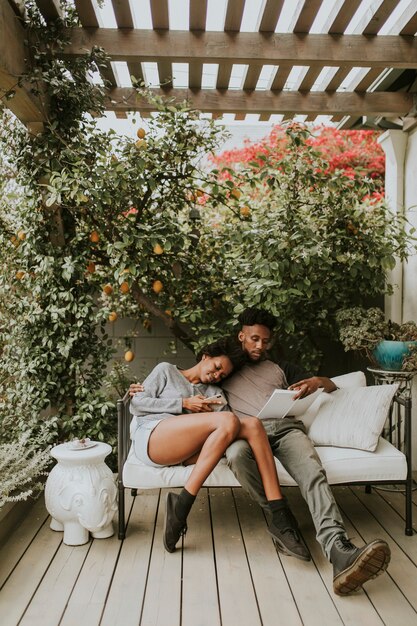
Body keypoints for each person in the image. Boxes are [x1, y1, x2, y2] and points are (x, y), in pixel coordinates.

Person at [221, 307, 391, 596]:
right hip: (245, 435)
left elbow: (332, 385)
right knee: (235, 456)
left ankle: (338, 549)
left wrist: (315, 382)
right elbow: (192, 383)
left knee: (313, 471)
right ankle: (280, 520)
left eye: (265, 341)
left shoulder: (281, 368)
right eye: (254, 339)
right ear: (242, 337)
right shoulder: (224, 369)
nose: (260, 346)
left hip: (285, 430)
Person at [129, 336, 306, 558]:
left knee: (252, 424)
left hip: (188, 453)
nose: (216, 375)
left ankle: (280, 515)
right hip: (153, 438)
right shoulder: (166, 371)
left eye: (221, 375)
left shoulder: (214, 393)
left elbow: (226, 431)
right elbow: (137, 404)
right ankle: (182, 505)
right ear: (206, 356)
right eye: (216, 367)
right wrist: (183, 403)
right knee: (231, 420)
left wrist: (211, 418)